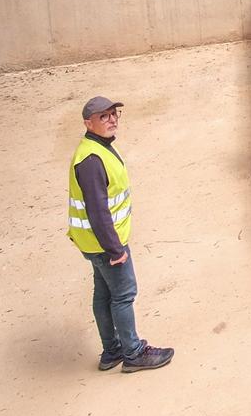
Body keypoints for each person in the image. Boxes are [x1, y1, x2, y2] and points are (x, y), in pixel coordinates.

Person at [67, 96, 173, 373]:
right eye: (104, 116)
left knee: (103, 294)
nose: (112, 119)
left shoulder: (95, 149)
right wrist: (116, 250)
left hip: (94, 242)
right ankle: (133, 352)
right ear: (88, 123)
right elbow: (98, 212)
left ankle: (111, 351)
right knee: (124, 294)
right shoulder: (91, 160)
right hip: (105, 244)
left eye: (114, 114)